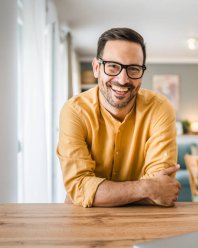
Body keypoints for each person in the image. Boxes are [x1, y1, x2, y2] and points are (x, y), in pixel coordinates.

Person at [57, 27, 180, 208]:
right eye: (113, 66)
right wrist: (148, 188)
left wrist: (94, 194)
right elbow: (79, 187)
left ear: (142, 73)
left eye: (133, 68)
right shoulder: (74, 111)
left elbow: (163, 188)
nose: (123, 79)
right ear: (97, 68)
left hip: (146, 221)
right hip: (85, 223)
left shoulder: (160, 109)